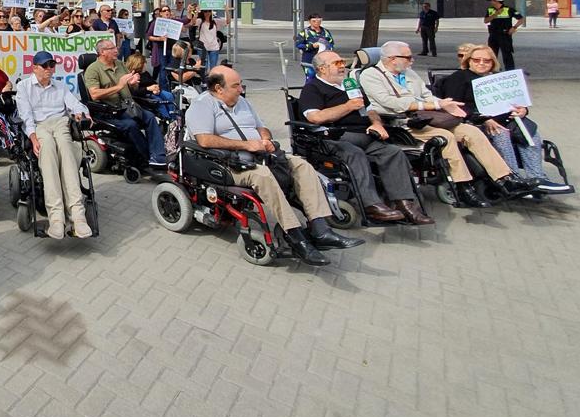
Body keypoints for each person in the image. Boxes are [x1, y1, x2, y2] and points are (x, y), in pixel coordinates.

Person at [189, 67, 354, 265]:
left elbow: (262, 127)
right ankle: (294, 236)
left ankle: (320, 229)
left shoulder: (242, 102)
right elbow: (204, 140)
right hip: (226, 162)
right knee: (263, 176)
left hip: (260, 154)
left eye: (240, 84)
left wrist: (265, 139)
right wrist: (246, 145)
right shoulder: (203, 105)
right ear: (218, 88)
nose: (241, 89)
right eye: (236, 86)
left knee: (302, 165)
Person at [359, 40, 535, 207]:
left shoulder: (408, 73)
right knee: (446, 137)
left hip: (426, 117)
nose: (412, 61)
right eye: (408, 57)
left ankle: (504, 179)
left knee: (471, 132)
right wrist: (435, 105)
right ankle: (462, 186)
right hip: (401, 122)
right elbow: (392, 103)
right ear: (392, 59)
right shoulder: (371, 75)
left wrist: (446, 105)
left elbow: (427, 95)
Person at [300, 51, 433, 224]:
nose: (343, 66)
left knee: (392, 152)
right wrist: (347, 107)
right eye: (337, 63)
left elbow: (370, 110)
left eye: (342, 62)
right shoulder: (313, 88)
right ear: (322, 69)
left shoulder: (350, 85)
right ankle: (372, 205)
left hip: (365, 134)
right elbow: (315, 117)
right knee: (355, 154)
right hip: (334, 137)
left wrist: (376, 123)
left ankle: (404, 203)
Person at [433, 45, 570, 193]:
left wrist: (523, 110)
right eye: (477, 60)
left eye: (486, 60)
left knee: (531, 133)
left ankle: (538, 178)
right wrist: (483, 118)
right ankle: (513, 179)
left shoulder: (499, 79)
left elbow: (516, 100)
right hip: (477, 121)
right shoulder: (459, 78)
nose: (481, 63)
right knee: (501, 134)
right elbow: (455, 106)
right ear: (469, 61)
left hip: (507, 119)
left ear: (493, 62)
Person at [16, 51, 92, 238]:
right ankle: (56, 217)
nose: (50, 69)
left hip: (60, 123)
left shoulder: (60, 86)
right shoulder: (24, 87)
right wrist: (33, 138)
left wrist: (82, 113)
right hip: (39, 126)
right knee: (48, 154)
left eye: (52, 65)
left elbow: (75, 104)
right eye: (45, 65)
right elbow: (26, 117)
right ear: (34, 68)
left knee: (66, 151)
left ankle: (78, 215)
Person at [82, 39, 168, 167]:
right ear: (102, 52)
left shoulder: (120, 64)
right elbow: (94, 95)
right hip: (109, 110)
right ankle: (146, 156)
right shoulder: (93, 70)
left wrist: (133, 83)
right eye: (111, 48)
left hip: (127, 106)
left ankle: (158, 156)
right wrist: (119, 86)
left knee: (150, 117)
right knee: (130, 124)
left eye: (115, 47)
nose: (116, 50)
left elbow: (131, 87)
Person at [124, 53, 176, 122]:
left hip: (153, 91)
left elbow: (153, 82)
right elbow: (135, 92)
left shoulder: (145, 73)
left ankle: (173, 116)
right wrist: (148, 89)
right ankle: (166, 119)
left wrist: (157, 88)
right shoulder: (132, 77)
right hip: (144, 94)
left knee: (169, 96)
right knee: (158, 101)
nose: (146, 64)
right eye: (144, 63)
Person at [484, 0, 525, 70]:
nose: (491, 2)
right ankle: (493, 69)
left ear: (497, 1)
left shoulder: (509, 9)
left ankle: (510, 70)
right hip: (493, 34)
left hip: (504, 35)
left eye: (492, 1)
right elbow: (486, 21)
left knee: (507, 54)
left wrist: (514, 27)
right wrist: (495, 14)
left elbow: (521, 19)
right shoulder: (490, 9)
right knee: (492, 54)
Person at [294, 13, 335, 81]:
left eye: (319, 21)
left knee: (323, 79)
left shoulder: (326, 32)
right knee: (310, 78)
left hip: (323, 60)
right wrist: (311, 46)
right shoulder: (304, 32)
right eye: (314, 21)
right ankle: (309, 91)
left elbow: (331, 43)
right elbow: (298, 45)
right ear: (309, 21)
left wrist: (329, 50)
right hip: (309, 60)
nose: (317, 23)